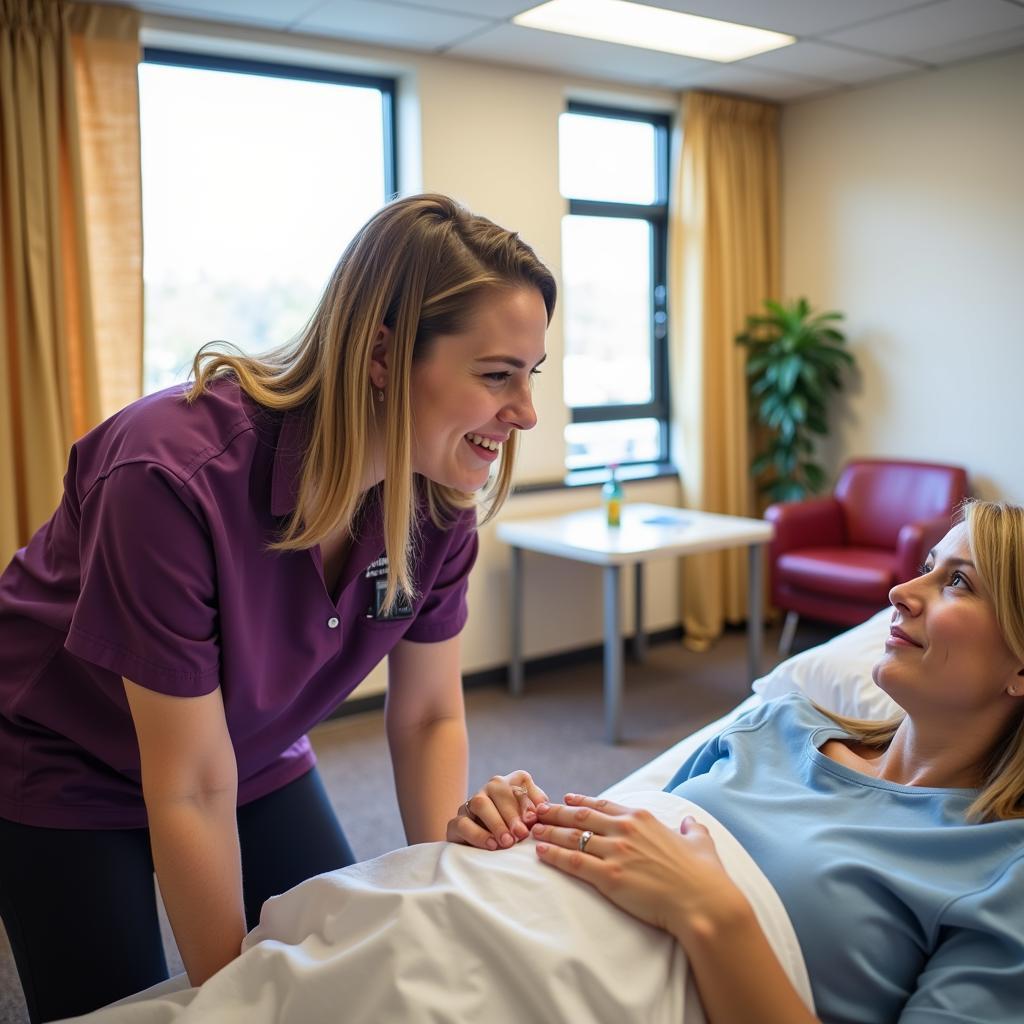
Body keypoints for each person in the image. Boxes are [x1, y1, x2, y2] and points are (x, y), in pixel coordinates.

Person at [0, 193, 555, 1023]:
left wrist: (449, 875)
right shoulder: (171, 477)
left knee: (337, 963)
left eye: (531, 374)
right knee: (131, 1008)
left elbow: (429, 716)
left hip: (252, 748)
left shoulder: (438, 504)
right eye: (496, 375)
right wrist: (234, 999)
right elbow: (187, 785)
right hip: (59, 755)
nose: (526, 412)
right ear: (382, 353)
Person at [454, 500, 1024, 1024]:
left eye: (956, 582)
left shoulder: (998, 870)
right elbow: (635, 847)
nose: (902, 590)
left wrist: (710, 913)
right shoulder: (776, 725)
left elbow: (675, 881)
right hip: (476, 937)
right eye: (926, 565)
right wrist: (519, 828)